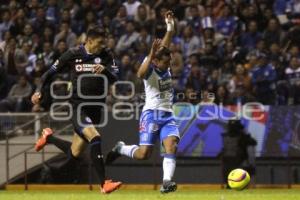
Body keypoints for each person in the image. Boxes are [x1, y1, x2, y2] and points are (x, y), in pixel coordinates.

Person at [31, 27, 122, 194]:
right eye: (100, 43)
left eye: (104, 43)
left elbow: (116, 77)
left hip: (96, 108)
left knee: (75, 153)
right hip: (77, 107)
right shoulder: (72, 54)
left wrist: (106, 70)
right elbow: (48, 73)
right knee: (95, 137)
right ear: (89, 41)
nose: (103, 46)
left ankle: (49, 137)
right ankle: (104, 184)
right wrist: (38, 91)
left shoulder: (107, 55)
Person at [106, 10, 180, 193]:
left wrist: (169, 25)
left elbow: (167, 41)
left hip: (167, 115)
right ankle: (120, 148)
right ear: (156, 61)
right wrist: (151, 52)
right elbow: (139, 74)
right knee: (143, 154)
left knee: (171, 146)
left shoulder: (161, 59)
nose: (169, 65)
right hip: (151, 115)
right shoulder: (150, 67)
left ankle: (167, 182)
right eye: (166, 62)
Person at [220, 120, 257, 188]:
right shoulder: (242, 137)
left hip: (235, 164)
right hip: (234, 164)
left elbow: (253, 142)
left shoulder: (241, 137)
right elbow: (253, 142)